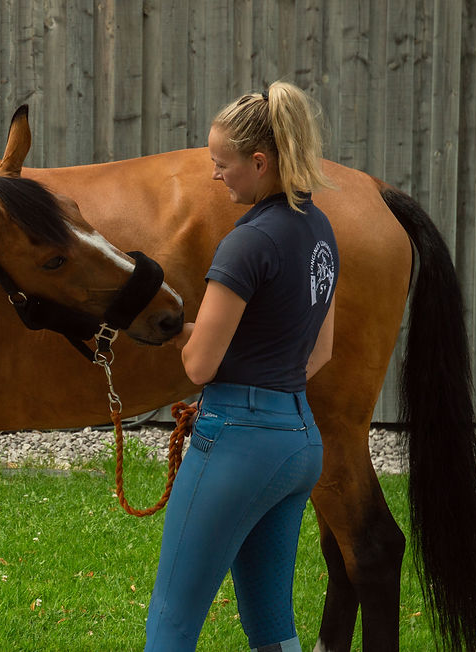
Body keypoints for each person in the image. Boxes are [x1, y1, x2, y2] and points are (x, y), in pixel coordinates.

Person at [144, 80, 339, 651]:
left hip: (236, 443)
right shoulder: (320, 230)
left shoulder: (246, 242)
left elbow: (200, 365)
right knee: (272, 627)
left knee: (172, 621)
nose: (215, 175)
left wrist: (189, 342)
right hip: (299, 443)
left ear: (259, 161)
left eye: (221, 163)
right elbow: (317, 350)